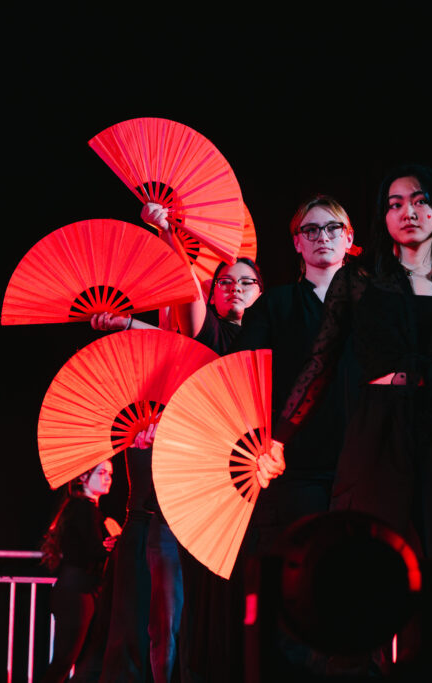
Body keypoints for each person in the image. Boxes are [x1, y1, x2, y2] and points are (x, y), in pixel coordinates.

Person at [273, 165, 432, 682]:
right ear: (383, 216)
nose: (407, 212)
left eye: (419, 201)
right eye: (394, 203)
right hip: (377, 432)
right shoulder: (361, 278)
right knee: (362, 570)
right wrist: (282, 435)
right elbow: (321, 361)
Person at [90, 202, 272, 683]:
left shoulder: (275, 341)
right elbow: (180, 306)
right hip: (195, 486)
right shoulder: (208, 336)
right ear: (211, 293)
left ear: (262, 293)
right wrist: (168, 232)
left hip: (252, 489)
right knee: (174, 613)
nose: (235, 288)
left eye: (246, 283)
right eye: (225, 282)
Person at [233, 194, 361, 555]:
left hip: (362, 464)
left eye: (333, 228)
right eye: (311, 229)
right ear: (297, 242)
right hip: (294, 465)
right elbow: (241, 375)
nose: (323, 236)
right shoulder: (275, 305)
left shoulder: (372, 305)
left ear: (348, 239)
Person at [40, 461, 117, 683]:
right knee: (66, 659)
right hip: (76, 593)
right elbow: (93, 550)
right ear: (83, 478)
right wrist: (117, 544)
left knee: (84, 659)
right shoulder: (83, 508)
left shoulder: (87, 508)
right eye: (101, 473)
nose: (107, 478)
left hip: (82, 591)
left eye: (110, 474)